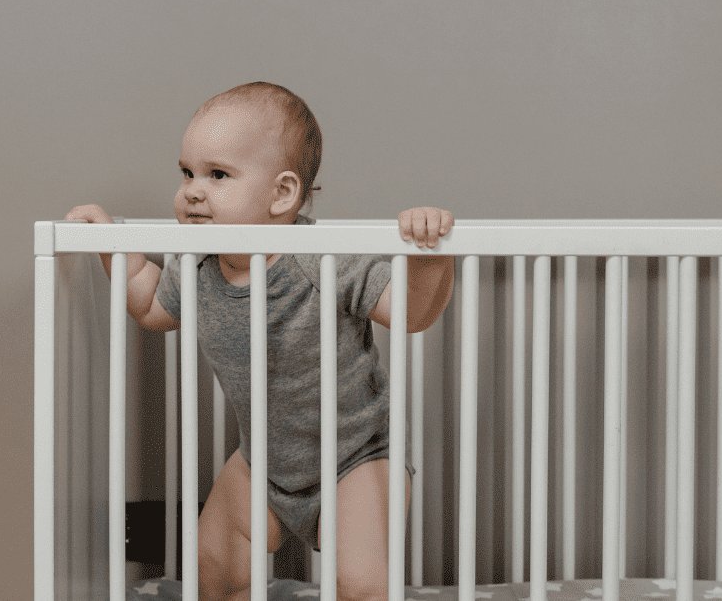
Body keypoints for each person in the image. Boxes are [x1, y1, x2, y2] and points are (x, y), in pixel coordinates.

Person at [65, 81, 455, 601]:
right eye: (187, 173)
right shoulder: (197, 266)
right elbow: (151, 304)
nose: (192, 191)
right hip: (263, 459)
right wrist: (109, 242)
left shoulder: (322, 260)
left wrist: (430, 254)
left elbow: (411, 313)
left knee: (362, 584)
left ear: (282, 195)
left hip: (356, 457)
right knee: (216, 571)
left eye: (218, 175)